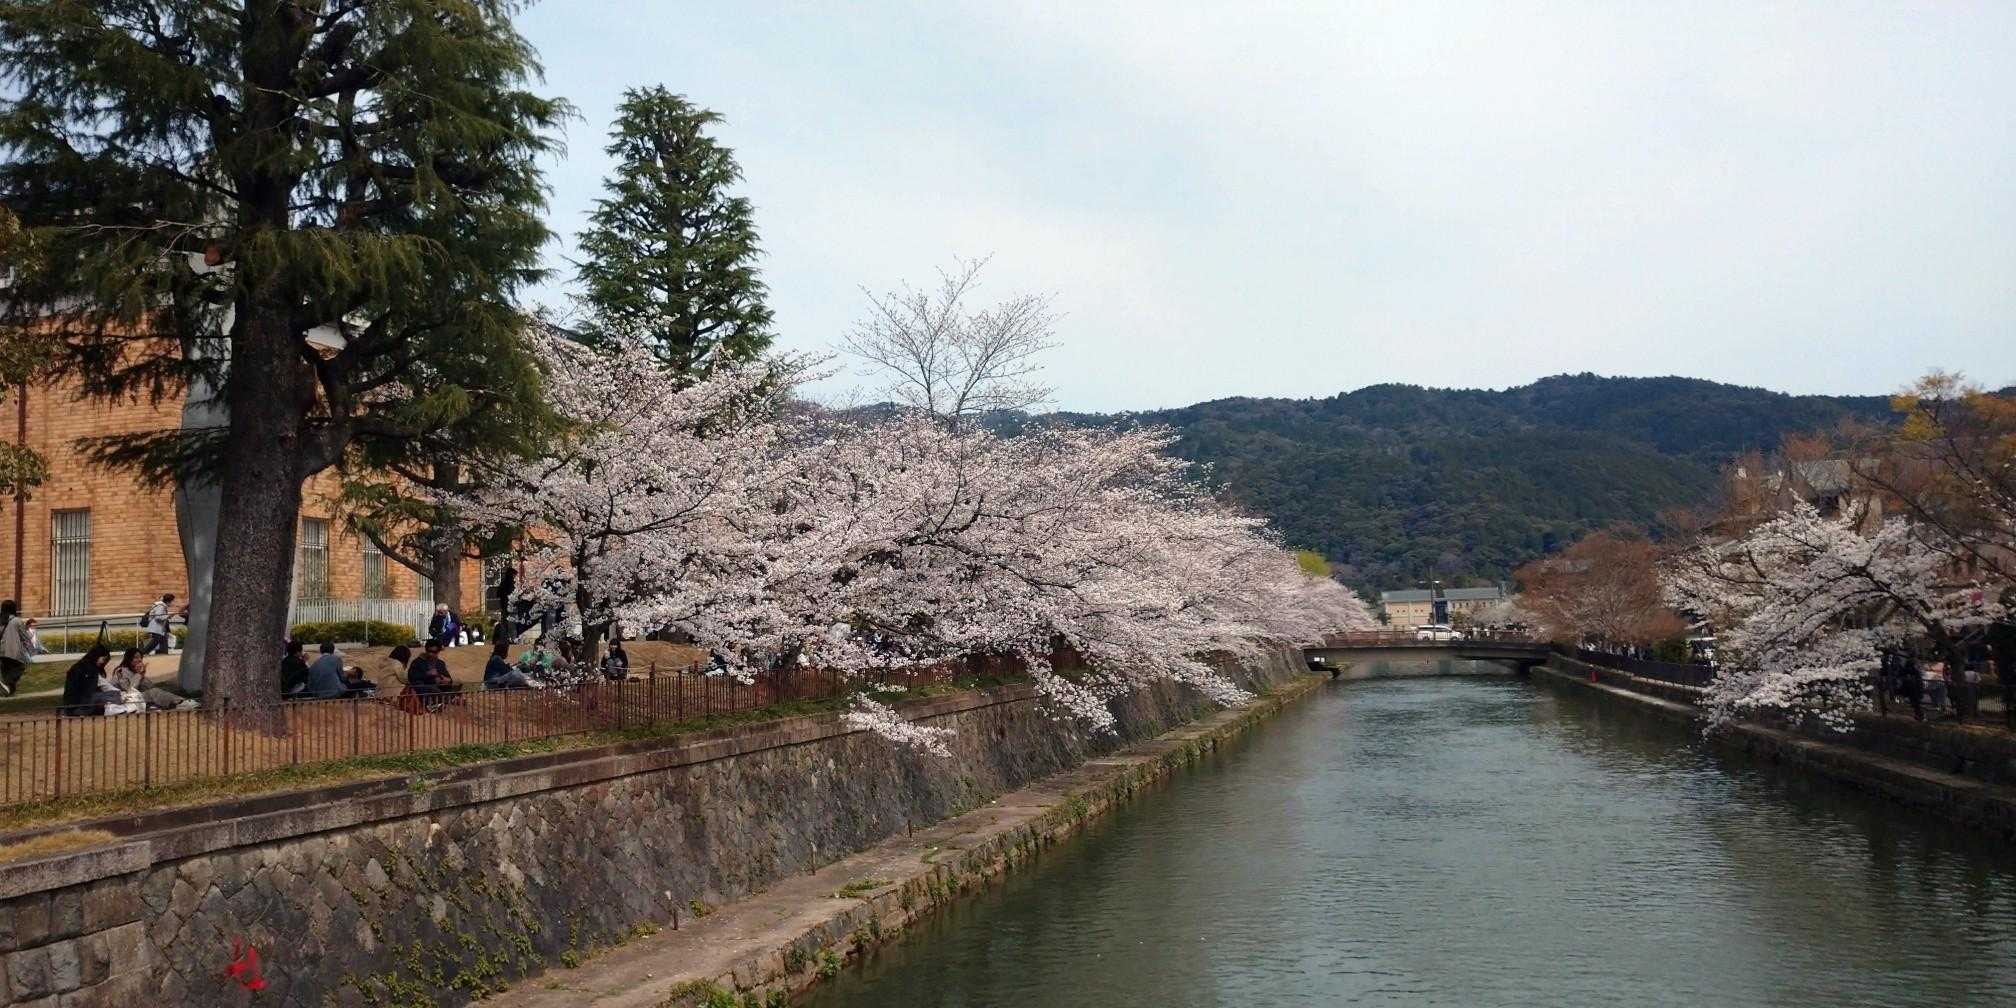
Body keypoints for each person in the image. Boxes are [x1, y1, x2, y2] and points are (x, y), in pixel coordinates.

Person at [61, 645, 117, 715]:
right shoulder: (89, 669)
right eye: (103, 659)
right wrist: (119, 693)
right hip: (78, 707)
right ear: (96, 656)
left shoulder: (81, 666)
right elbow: (104, 686)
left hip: (72, 707)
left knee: (107, 695)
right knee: (111, 695)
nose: (103, 663)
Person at [406, 641, 461, 709]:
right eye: (429, 651)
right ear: (426, 650)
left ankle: (447, 699)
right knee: (427, 687)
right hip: (425, 687)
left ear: (438, 652)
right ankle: (443, 701)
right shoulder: (417, 662)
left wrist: (447, 680)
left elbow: (448, 678)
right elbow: (411, 677)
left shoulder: (440, 663)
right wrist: (427, 674)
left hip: (439, 687)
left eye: (434, 652)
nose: (430, 654)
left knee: (457, 686)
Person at [0, 599, 30, 697]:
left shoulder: (1, 621)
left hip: (1, 651)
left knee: (6, 670)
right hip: (13, 651)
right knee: (20, 667)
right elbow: (25, 636)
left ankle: (8, 692)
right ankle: (6, 684)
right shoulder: (17, 621)